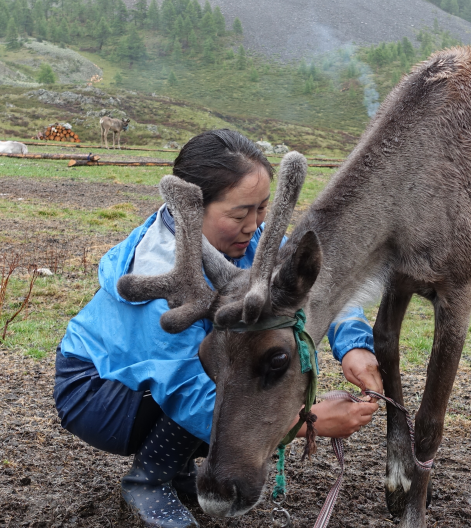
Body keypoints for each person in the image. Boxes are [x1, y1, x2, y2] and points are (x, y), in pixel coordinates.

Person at [54, 129, 382, 528]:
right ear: (193, 209)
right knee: (225, 374)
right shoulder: (160, 272)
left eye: (262, 208)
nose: (254, 224)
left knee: (241, 367)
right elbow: (183, 387)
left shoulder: (257, 243)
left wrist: (353, 344)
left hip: (151, 384)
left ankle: (177, 471)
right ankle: (148, 480)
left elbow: (306, 291)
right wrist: (304, 419)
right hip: (98, 393)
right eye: (240, 212)